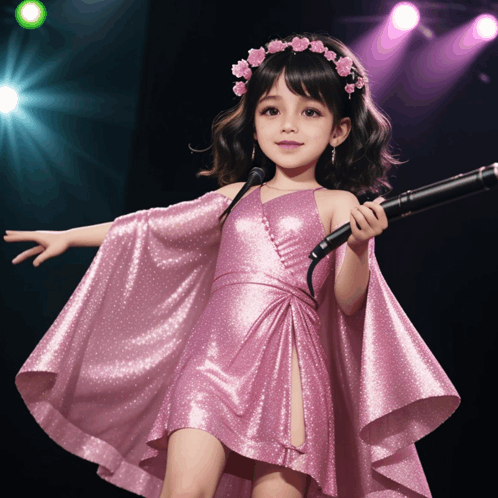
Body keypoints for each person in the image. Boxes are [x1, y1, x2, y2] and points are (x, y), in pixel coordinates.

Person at [4, 33, 460, 498]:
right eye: (271, 110)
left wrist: (360, 247)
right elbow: (150, 228)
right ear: (253, 120)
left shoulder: (339, 204)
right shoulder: (237, 196)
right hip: (210, 362)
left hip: (293, 369)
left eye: (310, 112)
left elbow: (347, 302)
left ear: (339, 130)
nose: (288, 125)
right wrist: (67, 236)